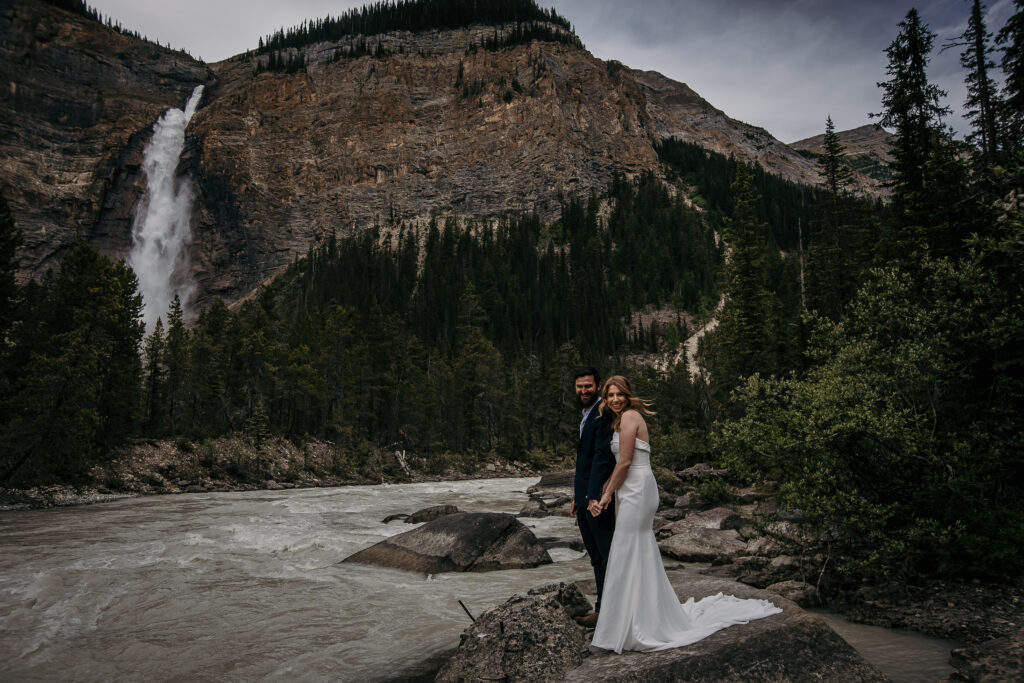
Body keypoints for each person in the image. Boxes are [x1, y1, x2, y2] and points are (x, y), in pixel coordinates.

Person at [588, 375, 782, 653]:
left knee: (627, 547)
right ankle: (635, 619)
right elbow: (618, 464)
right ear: (605, 399)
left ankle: (630, 625)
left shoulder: (630, 417)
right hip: (629, 488)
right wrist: (607, 490)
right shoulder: (619, 420)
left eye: (619, 394)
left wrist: (606, 494)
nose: (615, 399)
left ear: (628, 395)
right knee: (633, 549)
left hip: (638, 488)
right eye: (610, 396)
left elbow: (627, 461)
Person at [570, 366, 616, 629]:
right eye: (579, 386)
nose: (583, 390)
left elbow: (601, 458)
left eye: (588, 386)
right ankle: (605, 608)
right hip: (585, 497)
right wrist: (577, 495)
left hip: (597, 500)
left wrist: (591, 495)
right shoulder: (587, 413)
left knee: (605, 554)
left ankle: (606, 611)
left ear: (597, 386)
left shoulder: (602, 414)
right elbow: (583, 461)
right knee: (596, 556)